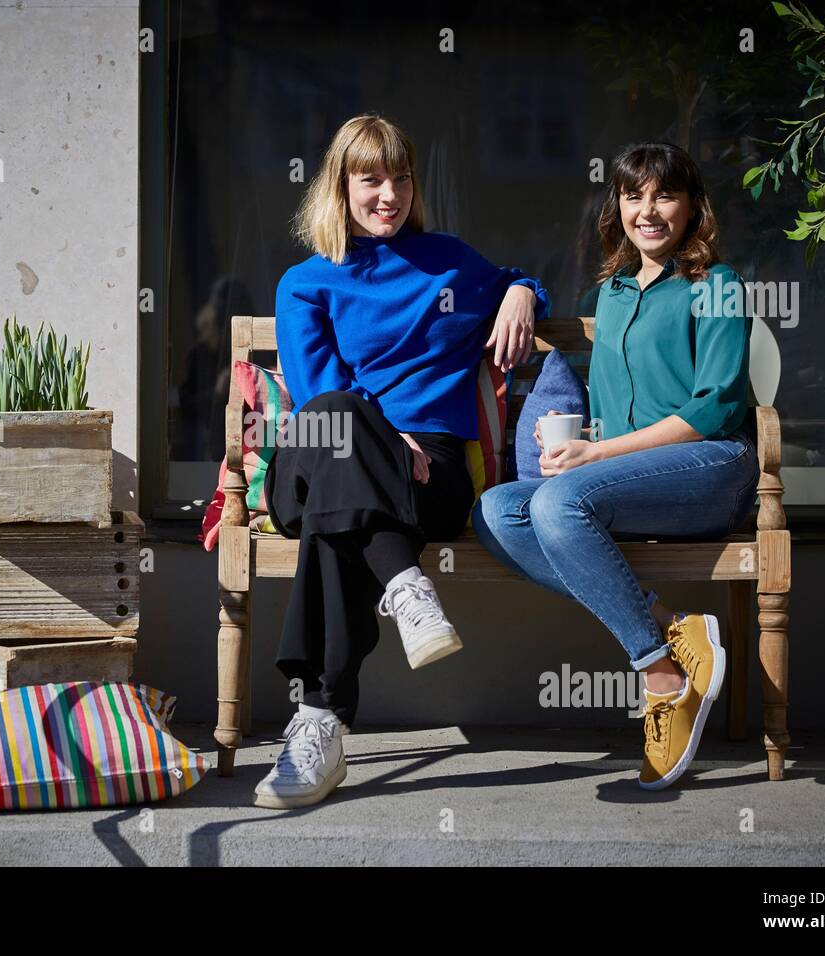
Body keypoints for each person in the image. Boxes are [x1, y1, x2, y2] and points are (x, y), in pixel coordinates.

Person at [254, 113, 549, 809]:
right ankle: (407, 590)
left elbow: (524, 278)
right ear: (341, 186)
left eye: (401, 178)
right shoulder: (307, 282)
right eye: (371, 179)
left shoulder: (450, 262)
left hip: (430, 479)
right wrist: (385, 440)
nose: (389, 194)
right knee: (338, 427)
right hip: (324, 452)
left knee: (340, 525)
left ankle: (320, 720)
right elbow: (319, 397)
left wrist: (521, 292)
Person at [472, 142, 759, 791]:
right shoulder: (614, 294)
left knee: (555, 503)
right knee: (496, 512)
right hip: (639, 480)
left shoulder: (716, 285)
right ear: (619, 206)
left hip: (714, 469)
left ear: (691, 208)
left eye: (664, 195)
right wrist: (571, 443)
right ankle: (674, 633)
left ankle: (660, 679)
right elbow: (613, 409)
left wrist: (594, 457)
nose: (648, 209)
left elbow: (716, 406)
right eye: (634, 195)